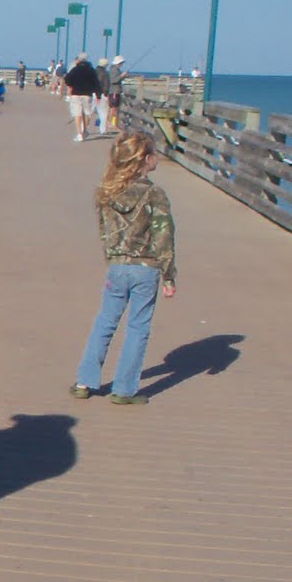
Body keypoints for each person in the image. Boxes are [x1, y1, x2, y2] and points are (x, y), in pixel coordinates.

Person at [71, 132, 178, 405]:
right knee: (138, 327)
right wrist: (169, 275)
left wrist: (113, 259)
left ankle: (85, 381)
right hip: (146, 268)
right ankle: (124, 389)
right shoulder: (155, 194)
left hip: (117, 267)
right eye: (154, 153)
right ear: (144, 159)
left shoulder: (107, 191)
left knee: (105, 320)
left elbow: (105, 232)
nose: (157, 157)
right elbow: (163, 235)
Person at [64, 52, 101, 142]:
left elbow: (67, 79)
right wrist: (98, 95)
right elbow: (96, 83)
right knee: (87, 113)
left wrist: (72, 85)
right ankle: (84, 130)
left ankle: (80, 134)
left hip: (76, 94)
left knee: (77, 114)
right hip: (87, 94)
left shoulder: (75, 69)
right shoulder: (91, 70)